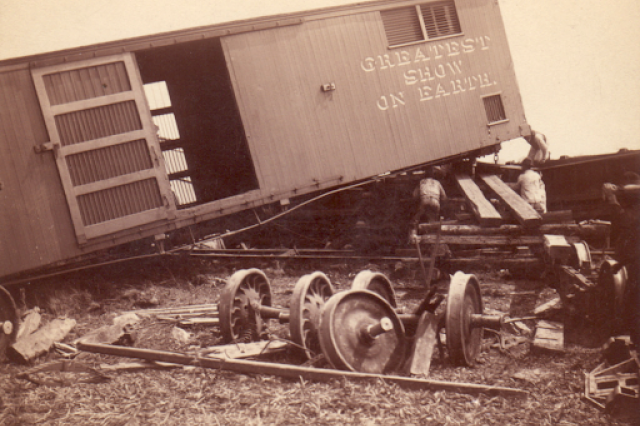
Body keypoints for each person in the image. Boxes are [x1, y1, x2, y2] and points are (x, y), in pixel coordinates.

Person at [602, 171, 640, 346]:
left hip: (635, 263)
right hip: (632, 260)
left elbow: (622, 221)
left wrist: (613, 199)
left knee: (634, 301)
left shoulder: (633, 211)